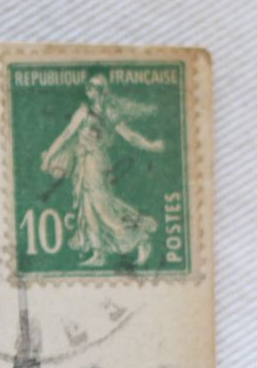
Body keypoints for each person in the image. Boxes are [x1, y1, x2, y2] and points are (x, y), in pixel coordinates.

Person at [39, 72, 167, 268]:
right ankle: (99, 253)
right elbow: (66, 135)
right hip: (83, 163)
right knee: (87, 208)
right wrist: (49, 157)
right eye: (87, 87)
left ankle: (141, 240)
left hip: (97, 163)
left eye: (91, 87)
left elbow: (130, 136)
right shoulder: (83, 111)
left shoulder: (109, 113)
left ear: (100, 92)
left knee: (104, 207)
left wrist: (151, 146)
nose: (87, 90)